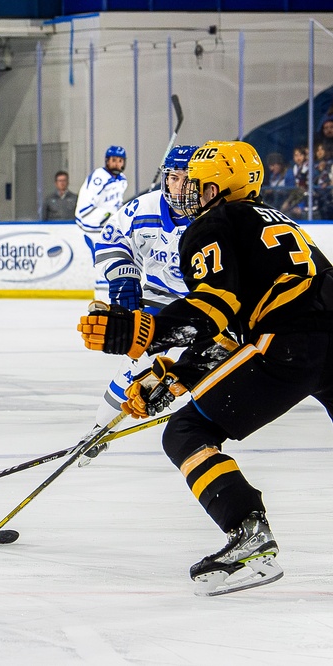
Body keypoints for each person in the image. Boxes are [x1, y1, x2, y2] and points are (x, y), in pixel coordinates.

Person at [78, 140, 333, 596]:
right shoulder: (278, 220)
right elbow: (233, 329)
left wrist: (146, 331)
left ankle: (249, 539)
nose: (190, 192)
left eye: (199, 183)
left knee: (186, 433)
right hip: (317, 334)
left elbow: (214, 308)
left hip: (292, 343)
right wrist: (177, 374)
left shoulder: (213, 225)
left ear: (223, 186)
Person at [77, 145, 199, 463]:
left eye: (189, 179)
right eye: (174, 177)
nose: (179, 186)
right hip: (158, 300)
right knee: (136, 364)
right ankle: (98, 431)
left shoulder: (214, 215)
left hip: (206, 305)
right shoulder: (142, 208)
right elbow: (111, 237)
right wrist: (124, 277)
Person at [75, 146, 128, 295]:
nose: (117, 164)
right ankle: (102, 298)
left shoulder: (122, 180)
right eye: (114, 160)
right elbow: (85, 210)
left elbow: (116, 204)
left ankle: (109, 294)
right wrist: (109, 215)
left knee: (114, 259)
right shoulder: (100, 177)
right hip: (91, 224)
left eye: (120, 161)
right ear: (107, 161)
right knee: (103, 262)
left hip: (106, 224)